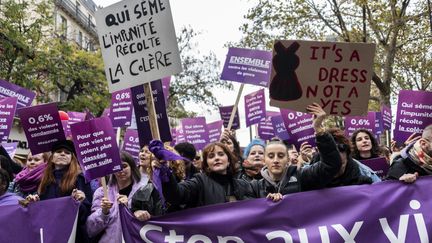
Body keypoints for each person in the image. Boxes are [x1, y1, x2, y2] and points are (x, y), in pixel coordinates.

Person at [251, 103, 343, 200]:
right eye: (270, 156)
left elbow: (332, 165)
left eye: (281, 156)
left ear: (288, 159)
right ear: (264, 160)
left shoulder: (302, 176)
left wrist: (319, 130)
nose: (276, 160)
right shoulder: (255, 187)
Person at [26, 140, 93, 243]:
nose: (62, 153)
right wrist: (34, 201)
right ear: (52, 158)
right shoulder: (45, 180)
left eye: (67, 152)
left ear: (72, 158)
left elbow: (87, 213)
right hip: (49, 233)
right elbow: (42, 211)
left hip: (71, 234)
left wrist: (81, 201)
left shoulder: (80, 179)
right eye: (59, 151)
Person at [155, 141, 254, 208]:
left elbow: (255, 209)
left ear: (228, 161)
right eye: (211, 156)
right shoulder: (199, 182)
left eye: (221, 154)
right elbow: (176, 196)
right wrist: (166, 173)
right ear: (207, 164)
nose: (216, 158)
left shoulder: (243, 185)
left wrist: (269, 200)